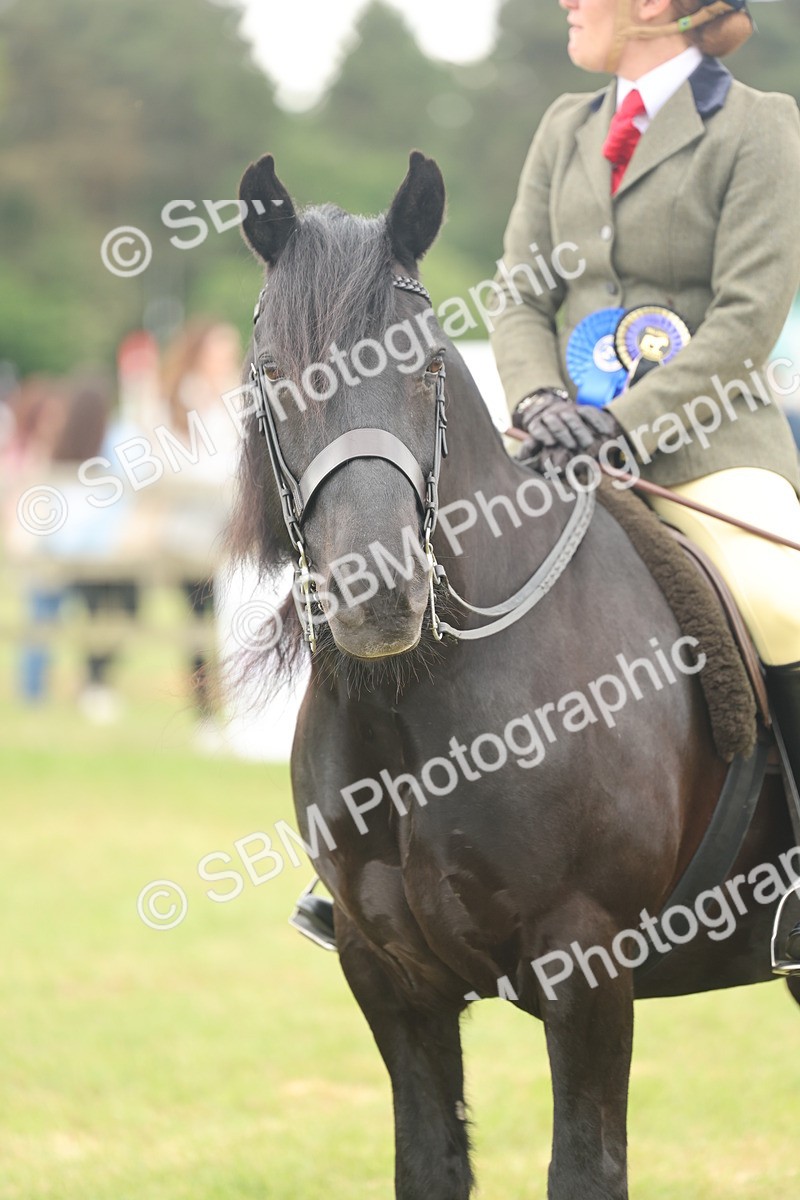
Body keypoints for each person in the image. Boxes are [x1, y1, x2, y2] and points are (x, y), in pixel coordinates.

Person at [489, 0, 800, 973]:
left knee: (777, 601)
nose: (565, 5)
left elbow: (745, 320)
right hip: (557, 447)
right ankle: (386, 870)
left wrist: (621, 421)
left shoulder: (757, 128)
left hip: (709, 447)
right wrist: (543, 403)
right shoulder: (562, 129)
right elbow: (516, 296)